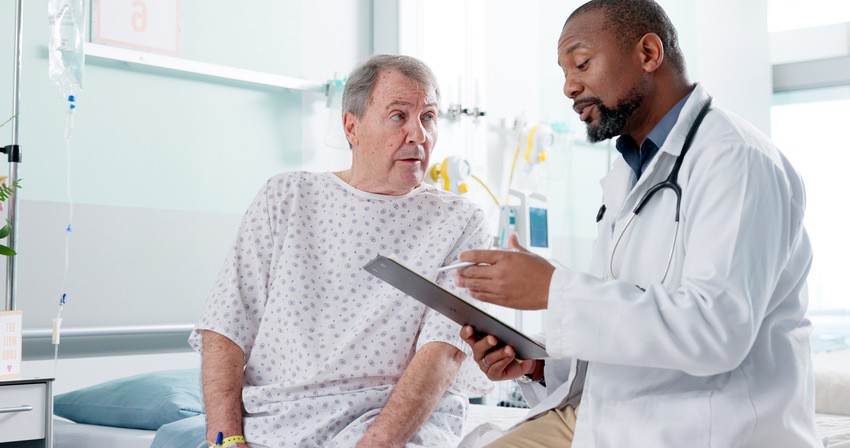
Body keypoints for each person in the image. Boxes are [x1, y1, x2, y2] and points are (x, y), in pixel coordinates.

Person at [455, 1, 821, 447]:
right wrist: (538, 364)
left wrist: (554, 288)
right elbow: (621, 323)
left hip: (709, 430)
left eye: (582, 63)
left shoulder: (735, 160)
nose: (569, 87)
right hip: (613, 421)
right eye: (564, 72)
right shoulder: (631, 173)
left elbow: (715, 332)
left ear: (649, 53)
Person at [189, 54, 492, 448]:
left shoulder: (460, 220)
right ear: (352, 127)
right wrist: (225, 440)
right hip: (274, 421)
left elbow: (443, 351)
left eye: (429, 117)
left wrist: (373, 445)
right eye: (399, 116)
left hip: (392, 425)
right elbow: (226, 326)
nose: (418, 135)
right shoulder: (286, 197)